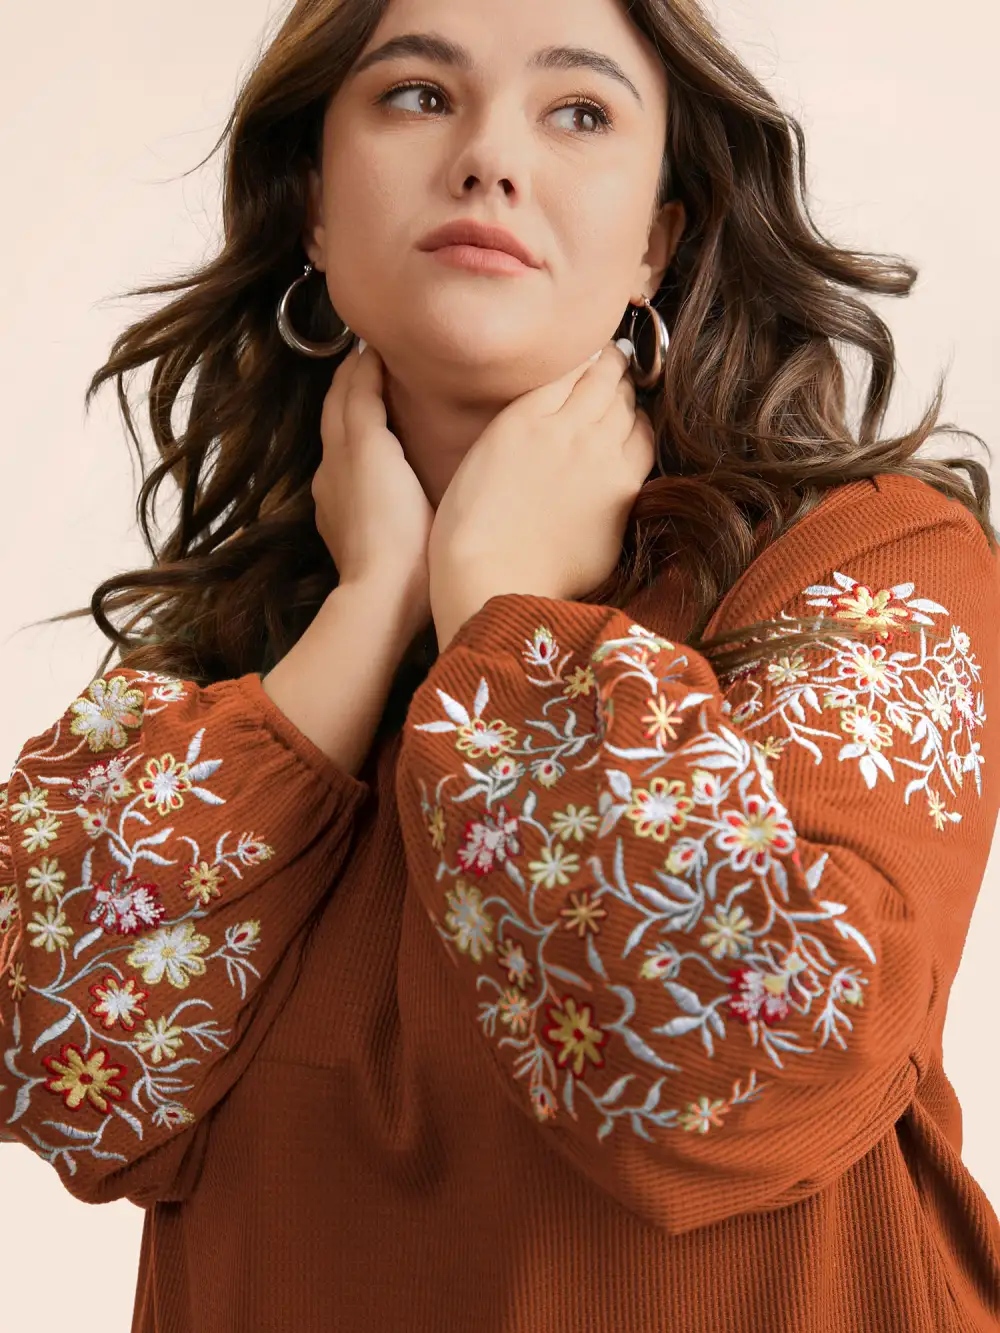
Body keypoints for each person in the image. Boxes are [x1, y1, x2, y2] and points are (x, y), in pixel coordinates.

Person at [2, 0, 998, 1328]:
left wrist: (506, 617)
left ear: (656, 241)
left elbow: (760, 1060)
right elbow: (58, 1066)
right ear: (311, 204)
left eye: (578, 111)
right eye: (418, 95)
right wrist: (371, 606)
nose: (490, 159)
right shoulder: (225, 664)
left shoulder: (865, 565)